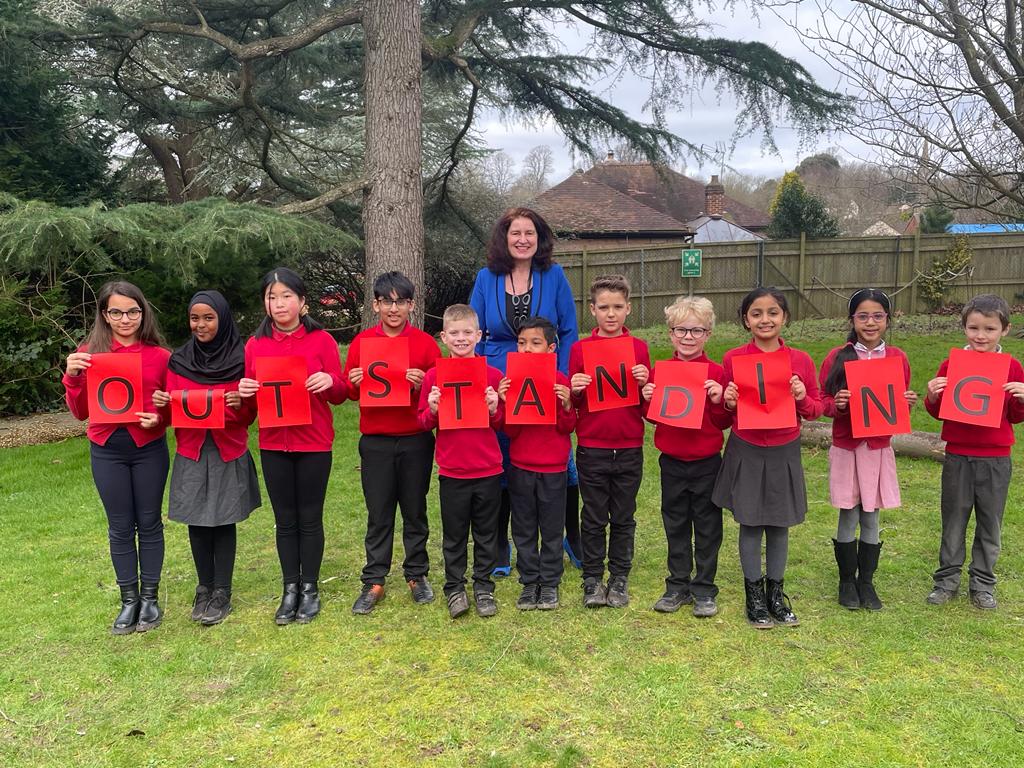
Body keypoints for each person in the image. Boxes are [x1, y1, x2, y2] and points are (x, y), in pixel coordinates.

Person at [469, 207, 581, 576]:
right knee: (504, 463)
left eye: (529, 233)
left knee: (560, 465)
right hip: (501, 381)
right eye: (515, 233)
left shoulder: (555, 275)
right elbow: (475, 332)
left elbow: (567, 331)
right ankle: (502, 547)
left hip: (546, 379)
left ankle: (569, 535)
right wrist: (485, 383)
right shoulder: (486, 278)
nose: (522, 239)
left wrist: (559, 378)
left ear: (539, 238)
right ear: (504, 238)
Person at [238, 267, 346, 625]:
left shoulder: (322, 341)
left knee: (310, 517)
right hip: (274, 443)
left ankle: (311, 588)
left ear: (302, 303)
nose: (279, 303)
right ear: (265, 304)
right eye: (272, 296)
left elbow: (341, 393)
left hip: (314, 441)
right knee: (285, 521)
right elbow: (251, 409)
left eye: (286, 296)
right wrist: (245, 394)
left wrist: (329, 379)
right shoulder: (255, 345)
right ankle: (290, 589)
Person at [63, 281, 170, 635]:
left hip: (148, 447)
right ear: (104, 315)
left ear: (143, 312)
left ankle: (150, 599)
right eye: (117, 312)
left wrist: (160, 418)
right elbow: (80, 413)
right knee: (120, 526)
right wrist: (73, 377)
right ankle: (129, 600)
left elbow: (169, 407)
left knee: (150, 522)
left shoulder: (160, 356)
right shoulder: (89, 354)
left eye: (133, 311)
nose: (126, 319)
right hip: (107, 448)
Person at [715, 287, 823, 629]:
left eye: (773, 312)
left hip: (784, 448)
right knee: (750, 521)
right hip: (746, 447)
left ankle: (776, 594)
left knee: (779, 523)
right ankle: (754, 596)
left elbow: (817, 408)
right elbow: (723, 414)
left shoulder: (801, 360)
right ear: (746, 320)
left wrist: (803, 396)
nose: (765, 319)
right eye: (757, 313)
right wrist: (729, 402)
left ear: (785, 318)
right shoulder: (733, 359)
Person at [152, 290, 261, 626]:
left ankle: (222, 592)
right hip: (192, 450)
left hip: (227, 447)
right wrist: (162, 405)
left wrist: (240, 404)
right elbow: (171, 414)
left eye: (208, 318)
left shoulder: (241, 359)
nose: (200, 325)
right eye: (194, 318)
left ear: (223, 319)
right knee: (197, 522)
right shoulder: (179, 360)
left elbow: (250, 416)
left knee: (223, 521)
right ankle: (204, 587)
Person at [344, 271, 441, 615]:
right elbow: (351, 391)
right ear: (375, 304)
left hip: (415, 438)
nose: (394, 308)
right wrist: (354, 381)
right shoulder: (361, 343)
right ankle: (374, 580)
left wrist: (422, 385)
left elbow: (439, 394)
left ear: (412, 306)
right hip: (376, 441)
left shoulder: (426, 344)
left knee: (415, 510)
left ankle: (417, 574)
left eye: (401, 301)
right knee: (379, 512)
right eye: (387, 301)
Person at [924, 294, 1024, 610]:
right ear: (964, 328)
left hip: (996, 457)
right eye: (974, 327)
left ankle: (983, 584)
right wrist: (932, 396)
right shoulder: (952, 364)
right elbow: (939, 412)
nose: (981, 335)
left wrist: (1022, 399)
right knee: (953, 521)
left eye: (989, 329)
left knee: (989, 523)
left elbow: (1015, 416)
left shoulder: (1012, 367)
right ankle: (946, 582)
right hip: (958, 455)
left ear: (1004, 331)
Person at [819, 289, 915, 611]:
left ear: (888, 319)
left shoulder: (897, 357)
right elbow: (824, 402)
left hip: (876, 448)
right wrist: (839, 404)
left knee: (871, 516)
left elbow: (894, 402)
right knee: (848, 513)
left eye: (877, 316)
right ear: (852, 320)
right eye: (863, 316)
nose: (870, 322)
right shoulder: (837, 356)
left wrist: (906, 405)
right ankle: (847, 581)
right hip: (847, 447)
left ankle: (867, 582)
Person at [641, 296, 730, 619]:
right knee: (675, 523)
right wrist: (647, 398)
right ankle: (677, 584)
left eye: (696, 331)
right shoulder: (660, 371)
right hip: (673, 461)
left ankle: (704, 587)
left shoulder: (717, 373)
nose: (688, 337)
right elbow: (653, 418)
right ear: (670, 333)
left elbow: (723, 422)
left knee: (708, 527)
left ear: (708, 334)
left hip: (707, 462)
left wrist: (720, 400)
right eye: (681, 330)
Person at [417, 304, 504, 619]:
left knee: (486, 533)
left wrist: (495, 408)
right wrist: (433, 409)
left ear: (479, 335)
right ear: (443, 337)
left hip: (488, 469)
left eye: (468, 332)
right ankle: (455, 587)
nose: (462, 338)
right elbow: (423, 423)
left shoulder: (492, 375)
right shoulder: (434, 377)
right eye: (454, 333)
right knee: (454, 535)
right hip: (453, 471)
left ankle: (483, 586)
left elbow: (502, 425)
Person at [569, 275, 650, 609]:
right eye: (604, 308)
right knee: (593, 515)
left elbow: (649, 406)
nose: (611, 314)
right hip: (592, 446)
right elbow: (571, 406)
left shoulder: (639, 348)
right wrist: (574, 389)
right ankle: (592, 578)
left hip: (629, 445)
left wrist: (647, 386)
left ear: (628, 309)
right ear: (593, 310)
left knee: (624, 515)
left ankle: (619, 577)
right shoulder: (580, 349)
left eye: (618, 307)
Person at [497, 317, 577, 611]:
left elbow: (568, 427)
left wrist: (567, 405)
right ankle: (530, 581)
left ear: (551, 348)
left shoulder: (560, 381)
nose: (527, 349)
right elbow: (510, 430)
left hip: (554, 468)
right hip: (520, 466)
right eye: (521, 343)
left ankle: (550, 582)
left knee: (552, 528)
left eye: (535, 343)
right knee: (524, 527)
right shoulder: (513, 379)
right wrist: (505, 402)